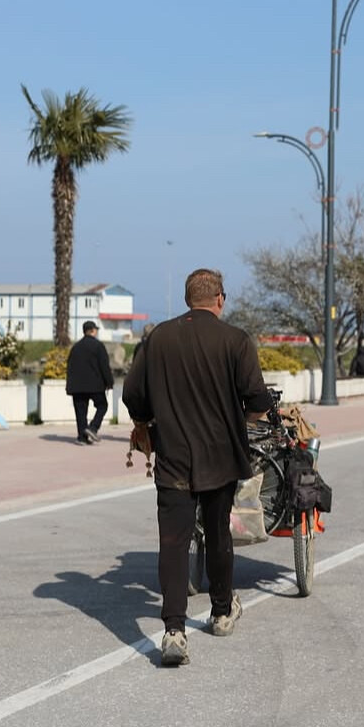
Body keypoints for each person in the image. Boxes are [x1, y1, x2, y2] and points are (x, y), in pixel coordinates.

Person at [122, 268, 272, 667]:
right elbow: (258, 401)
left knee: (173, 542)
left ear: (188, 299)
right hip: (220, 459)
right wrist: (240, 422)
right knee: (218, 533)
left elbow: (133, 394)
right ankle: (221, 613)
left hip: (173, 458)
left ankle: (173, 630)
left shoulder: (158, 338)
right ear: (220, 298)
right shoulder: (235, 340)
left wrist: (148, 420)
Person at [66, 320, 113, 445]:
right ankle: (93, 427)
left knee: (81, 411)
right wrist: (109, 382)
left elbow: (70, 366)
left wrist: (69, 386)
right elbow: (104, 366)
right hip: (95, 385)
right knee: (102, 406)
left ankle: (82, 438)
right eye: (96, 329)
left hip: (77, 386)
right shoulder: (98, 346)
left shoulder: (75, 347)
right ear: (92, 330)